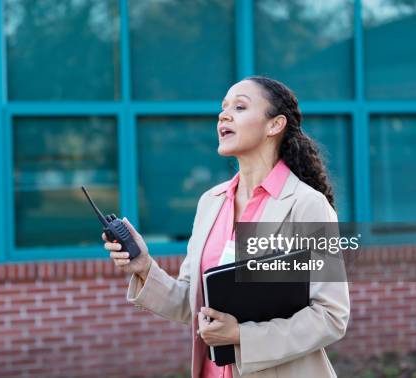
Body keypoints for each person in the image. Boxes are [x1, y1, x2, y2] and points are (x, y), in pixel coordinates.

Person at [103, 76, 350, 377]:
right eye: (223, 108)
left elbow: (330, 315)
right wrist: (144, 267)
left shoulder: (306, 205)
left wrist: (241, 337)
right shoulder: (211, 202)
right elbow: (192, 303)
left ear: (275, 125)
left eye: (240, 106)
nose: (224, 114)